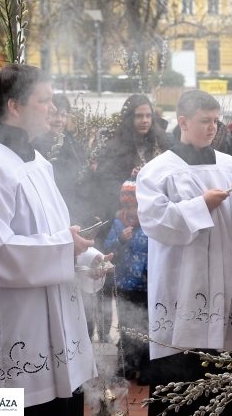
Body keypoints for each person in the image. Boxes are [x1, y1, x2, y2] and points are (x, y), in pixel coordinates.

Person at [0, 64, 111, 413]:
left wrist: (84, 259)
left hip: (51, 326)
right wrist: (66, 249)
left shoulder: (36, 161)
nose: (53, 108)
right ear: (15, 107)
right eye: (45, 100)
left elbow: (48, 235)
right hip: (12, 331)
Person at [136, 89, 232, 416]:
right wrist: (200, 205)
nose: (212, 128)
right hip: (184, 279)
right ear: (183, 121)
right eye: (204, 121)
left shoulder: (230, 164)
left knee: (230, 374)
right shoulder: (158, 170)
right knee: (183, 370)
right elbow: (154, 222)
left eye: (215, 121)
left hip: (228, 275)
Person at [94, 94, 170, 340]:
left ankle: (152, 355)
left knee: (155, 296)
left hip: (157, 225)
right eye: (139, 115)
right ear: (130, 118)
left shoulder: (162, 142)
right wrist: (131, 179)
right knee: (128, 300)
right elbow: (105, 182)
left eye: (148, 115)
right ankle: (128, 353)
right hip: (126, 223)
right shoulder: (115, 146)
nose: (144, 120)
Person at [103, 177, 150, 385]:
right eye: (128, 206)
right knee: (126, 326)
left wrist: (149, 271)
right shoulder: (117, 224)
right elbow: (108, 250)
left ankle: (147, 367)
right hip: (123, 284)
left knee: (146, 327)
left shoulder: (149, 224)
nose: (132, 211)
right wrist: (120, 240)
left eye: (136, 206)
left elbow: (156, 252)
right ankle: (126, 367)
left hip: (145, 286)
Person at [33, 93, 94, 227]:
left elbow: (86, 180)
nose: (59, 120)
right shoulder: (33, 147)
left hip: (77, 214)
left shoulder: (74, 145)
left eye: (63, 115)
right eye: (55, 114)